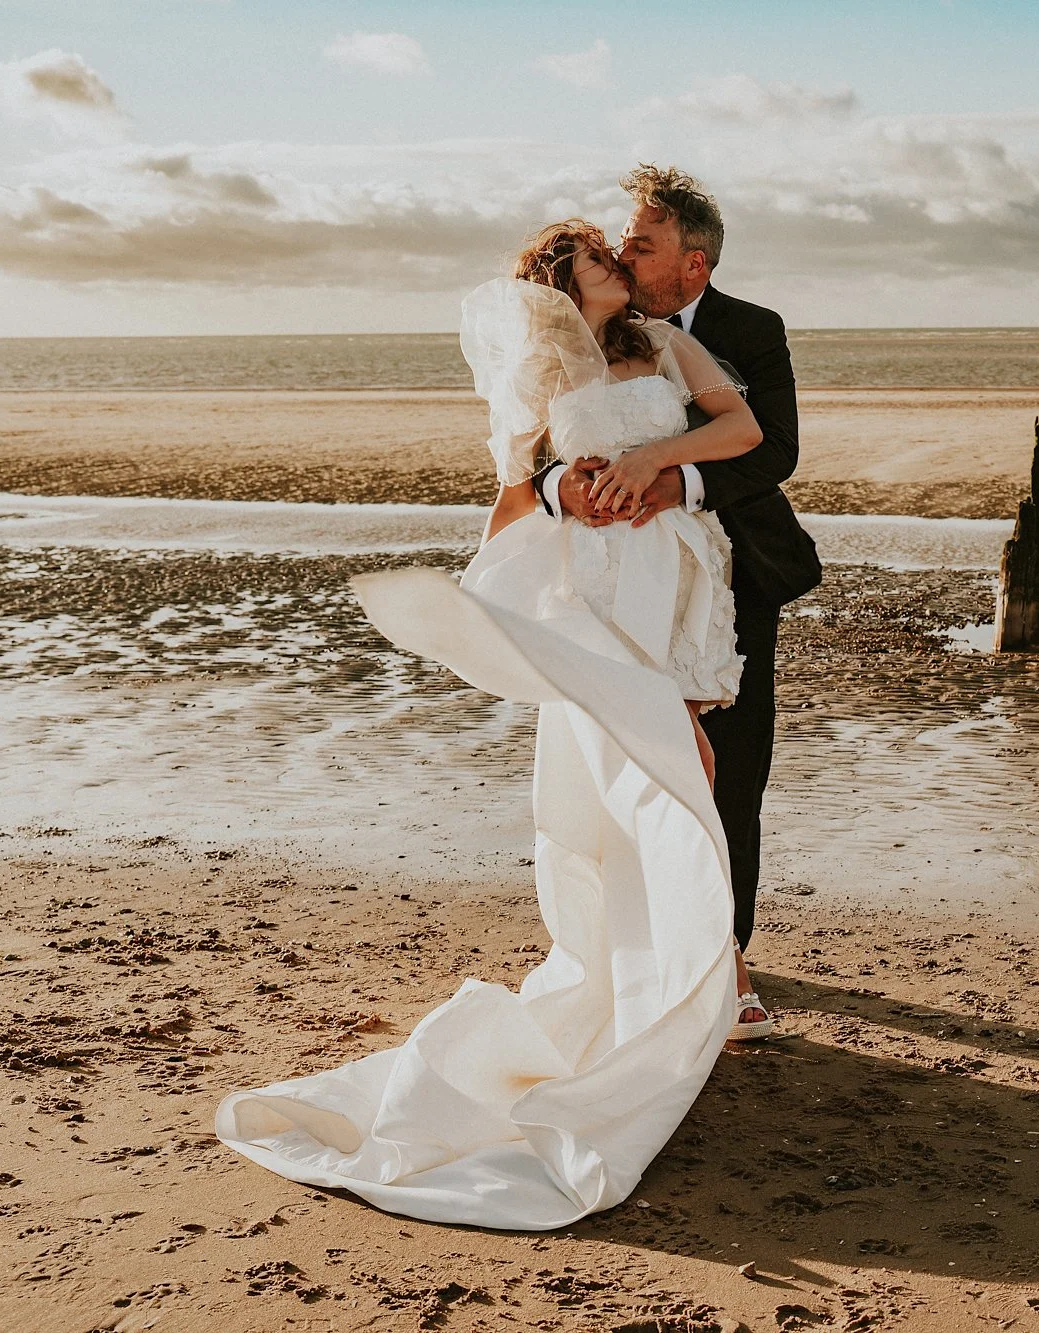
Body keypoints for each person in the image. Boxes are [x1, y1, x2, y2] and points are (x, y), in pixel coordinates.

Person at [216, 218, 767, 1229]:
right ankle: (689, 977)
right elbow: (514, 493)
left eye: (614, 255)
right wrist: (564, 491)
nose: (614, 267)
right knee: (641, 778)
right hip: (598, 588)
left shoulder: (665, 343)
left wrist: (653, 463)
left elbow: (740, 432)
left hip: (673, 576)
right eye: (597, 259)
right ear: (561, 285)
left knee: (685, 765)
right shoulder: (540, 366)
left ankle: (701, 974)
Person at [541, 165, 820, 1038]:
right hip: (622, 590)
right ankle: (637, 948)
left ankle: (723, 955)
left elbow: (772, 451)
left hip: (737, 576)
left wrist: (678, 480)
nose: (625, 252)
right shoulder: (570, 343)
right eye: (620, 242)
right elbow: (527, 464)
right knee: (632, 771)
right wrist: (568, 489)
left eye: (643, 243)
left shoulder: (749, 331)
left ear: (693, 266)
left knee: (729, 774)